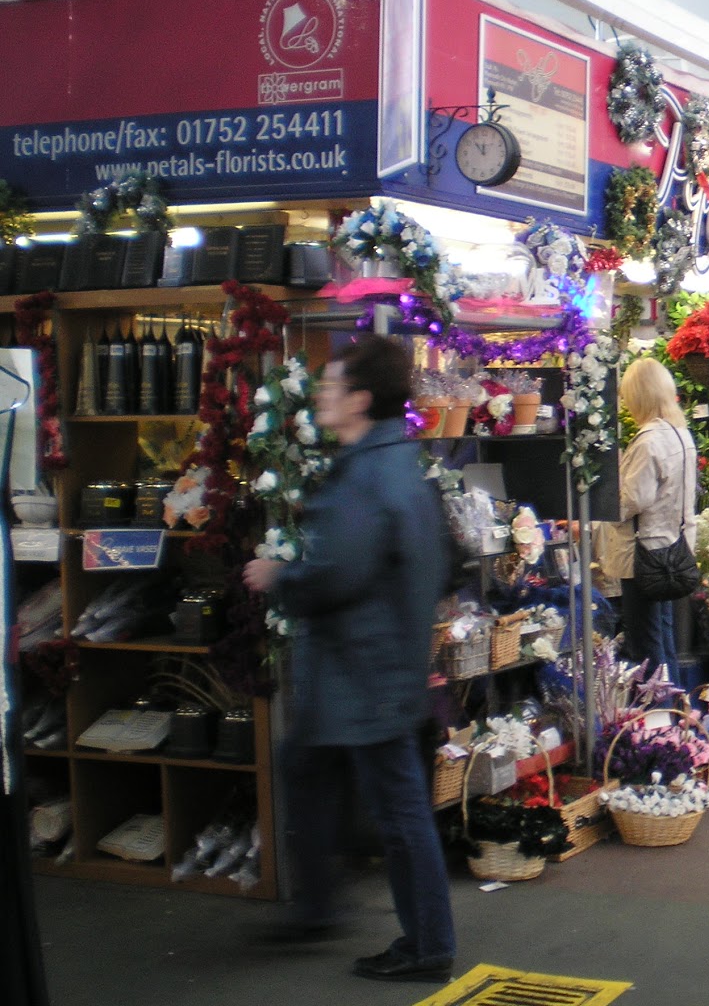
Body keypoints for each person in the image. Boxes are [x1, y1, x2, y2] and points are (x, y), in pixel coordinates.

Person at [243, 335, 456, 983]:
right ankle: (317, 909)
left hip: (364, 670)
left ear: (360, 400)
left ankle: (427, 945)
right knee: (311, 771)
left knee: (398, 810)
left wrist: (280, 576)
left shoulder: (365, 476)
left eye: (331, 386)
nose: (322, 396)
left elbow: (338, 574)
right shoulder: (397, 463)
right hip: (376, 664)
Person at [601, 357, 698, 683]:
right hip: (671, 548)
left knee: (646, 643)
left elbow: (633, 499)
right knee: (663, 638)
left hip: (644, 554)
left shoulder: (649, 440)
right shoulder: (680, 434)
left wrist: (603, 504)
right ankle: (674, 706)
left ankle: (658, 710)